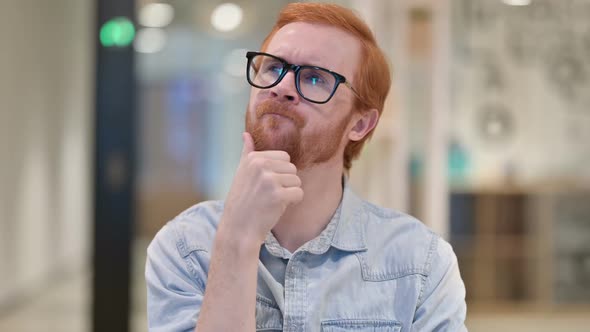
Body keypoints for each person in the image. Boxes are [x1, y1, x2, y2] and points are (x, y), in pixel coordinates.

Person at [145, 2, 467, 331]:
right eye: (273, 68)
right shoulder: (185, 248)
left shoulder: (421, 264)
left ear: (360, 124)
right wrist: (236, 241)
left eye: (314, 78)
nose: (282, 87)